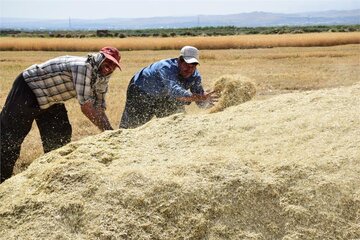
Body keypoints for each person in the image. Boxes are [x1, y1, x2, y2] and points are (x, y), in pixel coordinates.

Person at [0, 46, 121, 183]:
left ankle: (52, 181)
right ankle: (2, 183)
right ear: (99, 58)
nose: (109, 67)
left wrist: (110, 133)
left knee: (59, 138)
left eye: (114, 65)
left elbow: (98, 107)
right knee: (9, 139)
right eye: (108, 62)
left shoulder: (101, 78)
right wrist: (107, 131)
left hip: (52, 98)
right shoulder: (83, 67)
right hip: (29, 89)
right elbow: (87, 107)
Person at [120, 46, 217, 129]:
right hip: (141, 90)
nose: (189, 69)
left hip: (165, 95)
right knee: (132, 126)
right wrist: (198, 97)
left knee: (176, 122)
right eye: (187, 65)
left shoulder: (195, 76)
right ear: (179, 61)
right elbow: (175, 91)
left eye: (193, 66)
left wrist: (211, 104)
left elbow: (200, 101)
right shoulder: (166, 67)